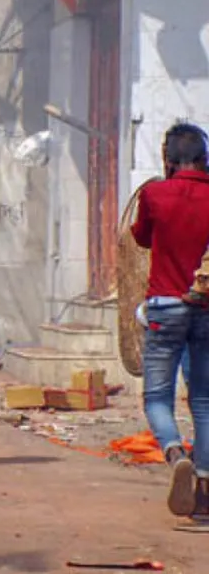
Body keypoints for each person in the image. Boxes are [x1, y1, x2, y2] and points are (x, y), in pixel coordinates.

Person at [131, 122, 209, 518]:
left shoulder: (154, 194)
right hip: (207, 310)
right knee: (205, 400)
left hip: (164, 305)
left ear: (168, 158)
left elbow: (142, 237)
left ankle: (175, 452)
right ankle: (206, 483)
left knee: (157, 397)